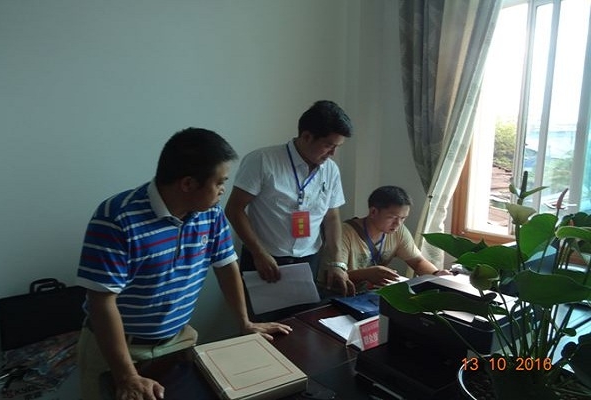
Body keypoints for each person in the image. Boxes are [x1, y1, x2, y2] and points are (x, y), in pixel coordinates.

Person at [76, 128, 292, 400]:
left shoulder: (210, 214)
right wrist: (126, 375)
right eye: (219, 182)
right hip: (119, 351)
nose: (223, 190)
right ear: (188, 184)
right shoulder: (116, 218)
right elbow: (101, 301)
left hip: (179, 341)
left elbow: (226, 266)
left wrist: (244, 322)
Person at [225, 100, 356, 296]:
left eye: (337, 147)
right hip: (264, 258)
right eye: (328, 145)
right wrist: (258, 252)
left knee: (304, 314)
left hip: (308, 260)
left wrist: (338, 262)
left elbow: (331, 217)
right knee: (264, 315)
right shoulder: (262, 160)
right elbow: (234, 209)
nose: (333, 154)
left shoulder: (330, 170)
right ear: (306, 136)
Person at [318, 185, 452, 294]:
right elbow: (332, 277)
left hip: (370, 295)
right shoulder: (344, 233)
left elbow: (417, 262)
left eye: (403, 218)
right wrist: (366, 274)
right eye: (392, 217)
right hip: (339, 296)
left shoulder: (398, 231)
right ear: (373, 212)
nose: (398, 224)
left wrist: (436, 274)